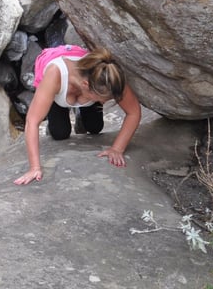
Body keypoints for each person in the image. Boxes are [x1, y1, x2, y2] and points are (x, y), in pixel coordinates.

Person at [13, 44, 141, 185]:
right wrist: (34, 168)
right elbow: (32, 121)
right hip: (58, 88)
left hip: (84, 84)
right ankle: (60, 112)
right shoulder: (54, 74)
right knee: (60, 133)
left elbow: (134, 112)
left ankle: (81, 114)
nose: (105, 102)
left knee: (95, 127)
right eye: (102, 99)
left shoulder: (109, 78)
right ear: (85, 85)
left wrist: (117, 149)